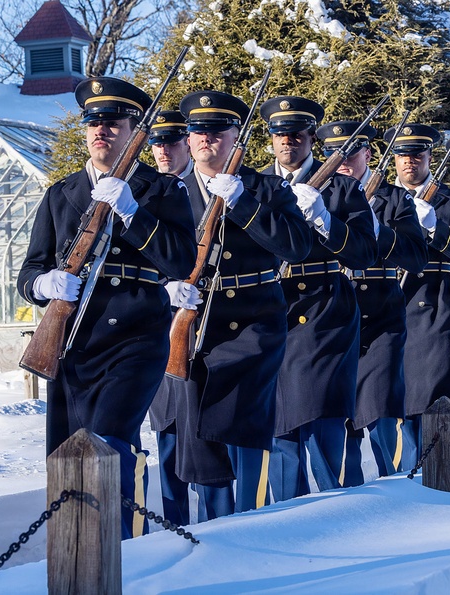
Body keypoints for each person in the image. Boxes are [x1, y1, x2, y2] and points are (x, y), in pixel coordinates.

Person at [16, 77, 196, 539]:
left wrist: (134, 212)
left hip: (136, 339)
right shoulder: (62, 193)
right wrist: (43, 283)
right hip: (74, 342)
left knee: (109, 443)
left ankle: (128, 551)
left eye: (113, 123)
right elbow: (29, 271)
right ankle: (78, 555)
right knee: (69, 453)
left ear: (134, 129)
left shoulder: (160, 191)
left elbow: (178, 259)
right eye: (93, 122)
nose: (101, 130)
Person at [153, 90, 311, 521]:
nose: (207, 139)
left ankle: (249, 526)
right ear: (187, 138)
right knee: (199, 440)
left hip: (252, 328)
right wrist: (165, 286)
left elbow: (296, 246)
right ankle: (213, 532)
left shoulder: (265, 187)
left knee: (242, 428)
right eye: (198, 131)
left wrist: (243, 202)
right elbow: (147, 253)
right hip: (192, 326)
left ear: (236, 135)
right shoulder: (165, 191)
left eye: (218, 130)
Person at [259, 95, 378, 500]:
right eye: (280, 134)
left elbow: (365, 252)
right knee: (279, 425)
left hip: (328, 310)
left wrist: (327, 222)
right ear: (270, 138)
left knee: (323, 414)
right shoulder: (255, 185)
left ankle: (332, 509)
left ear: (312, 138)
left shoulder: (342, 188)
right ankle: (286, 513)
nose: (288, 141)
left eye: (297, 134)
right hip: (272, 309)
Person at [314, 119, 428, 484]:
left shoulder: (393, 199)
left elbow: (416, 256)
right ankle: (349, 500)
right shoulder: (319, 195)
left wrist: (380, 233)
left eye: (352, 151)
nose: (343, 159)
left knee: (381, 410)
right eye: (334, 152)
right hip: (332, 319)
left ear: (368, 153)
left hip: (380, 317)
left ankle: (401, 485)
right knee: (338, 418)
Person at [384, 123, 450, 468]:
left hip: (436, 306)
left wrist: (436, 229)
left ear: (430, 157)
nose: (409, 161)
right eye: (402, 155)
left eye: (417, 154)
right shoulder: (379, 198)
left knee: (434, 395)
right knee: (393, 403)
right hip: (386, 305)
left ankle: (440, 471)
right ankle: (402, 478)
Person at [146, 108, 195, 527]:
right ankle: (174, 526)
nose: (162, 150)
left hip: (218, 325)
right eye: (155, 143)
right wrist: (163, 288)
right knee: (167, 434)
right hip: (164, 330)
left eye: (172, 141)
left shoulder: (211, 188)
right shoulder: (148, 191)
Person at [149, 110, 194, 178]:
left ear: (189, 145)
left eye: (172, 144)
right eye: (158, 144)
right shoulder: (146, 186)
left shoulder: (206, 183)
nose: (163, 151)